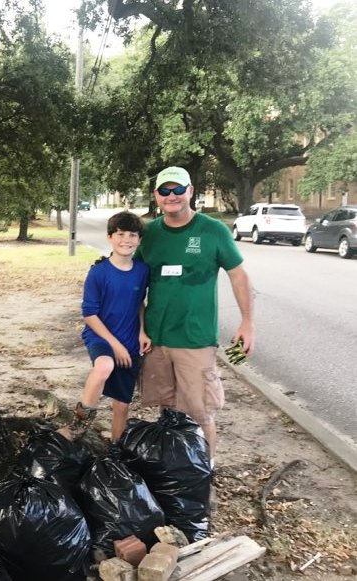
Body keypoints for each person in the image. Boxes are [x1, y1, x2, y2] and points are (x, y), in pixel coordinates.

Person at [135, 166, 254, 464]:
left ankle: (204, 470)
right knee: (168, 408)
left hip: (195, 339)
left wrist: (247, 323)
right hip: (157, 339)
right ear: (156, 196)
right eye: (165, 190)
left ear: (190, 192)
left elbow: (239, 276)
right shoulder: (148, 234)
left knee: (200, 411)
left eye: (178, 189)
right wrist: (139, 328)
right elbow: (133, 285)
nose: (172, 196)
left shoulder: (212, 230)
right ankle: (176, 470)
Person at [59, 211, 150, 443]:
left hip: (129, 341)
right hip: (101, 337)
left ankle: (116, 450)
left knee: (122, 405)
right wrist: (115, 346)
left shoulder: (142, 271)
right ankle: (80, 424)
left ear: (139, 240)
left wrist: (141, 331)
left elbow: (139, 302)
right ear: (110, 237)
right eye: (120, 234)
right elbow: (89, 314)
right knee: (103, 366)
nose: (126, 240)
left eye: (132, 235)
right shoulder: (99, 272)